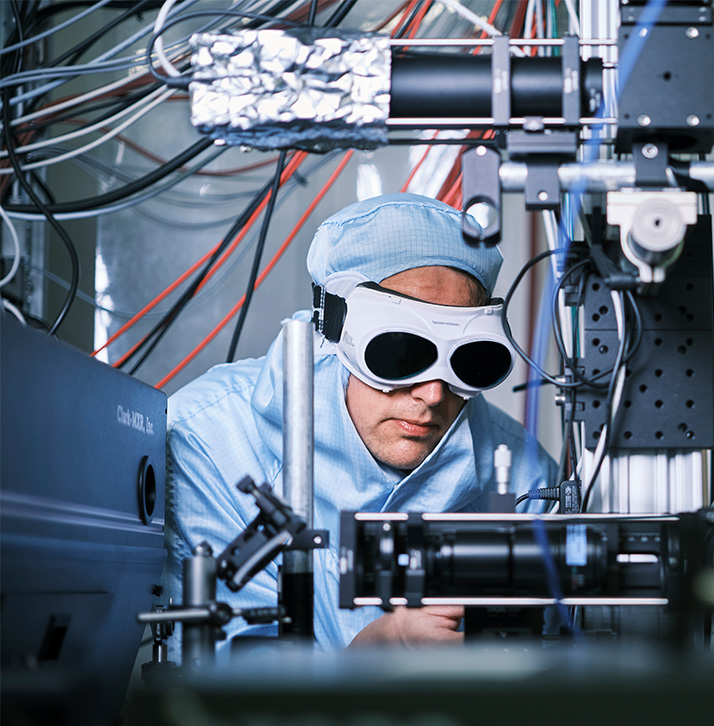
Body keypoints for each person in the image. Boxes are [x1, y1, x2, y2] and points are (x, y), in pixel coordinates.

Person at [162, 193, 558, 656]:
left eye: (466, 361)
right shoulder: (207, 438)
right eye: (401, 353)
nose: (432, 396)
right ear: (334, 333)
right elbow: (217, 691)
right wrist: (371, 656)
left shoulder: (528, 480)